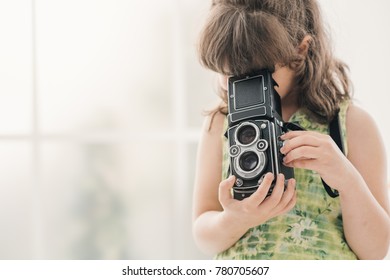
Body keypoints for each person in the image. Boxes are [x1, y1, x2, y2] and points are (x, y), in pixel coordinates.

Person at [192, 0, 390, 260]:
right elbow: (203, 236)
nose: (240, 85)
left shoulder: (350, 124)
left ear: (300, 50)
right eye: (228, 72)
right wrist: (235, 220)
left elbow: (376, 251)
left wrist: (347, 180)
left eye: (255, 74)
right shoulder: (220, 124)